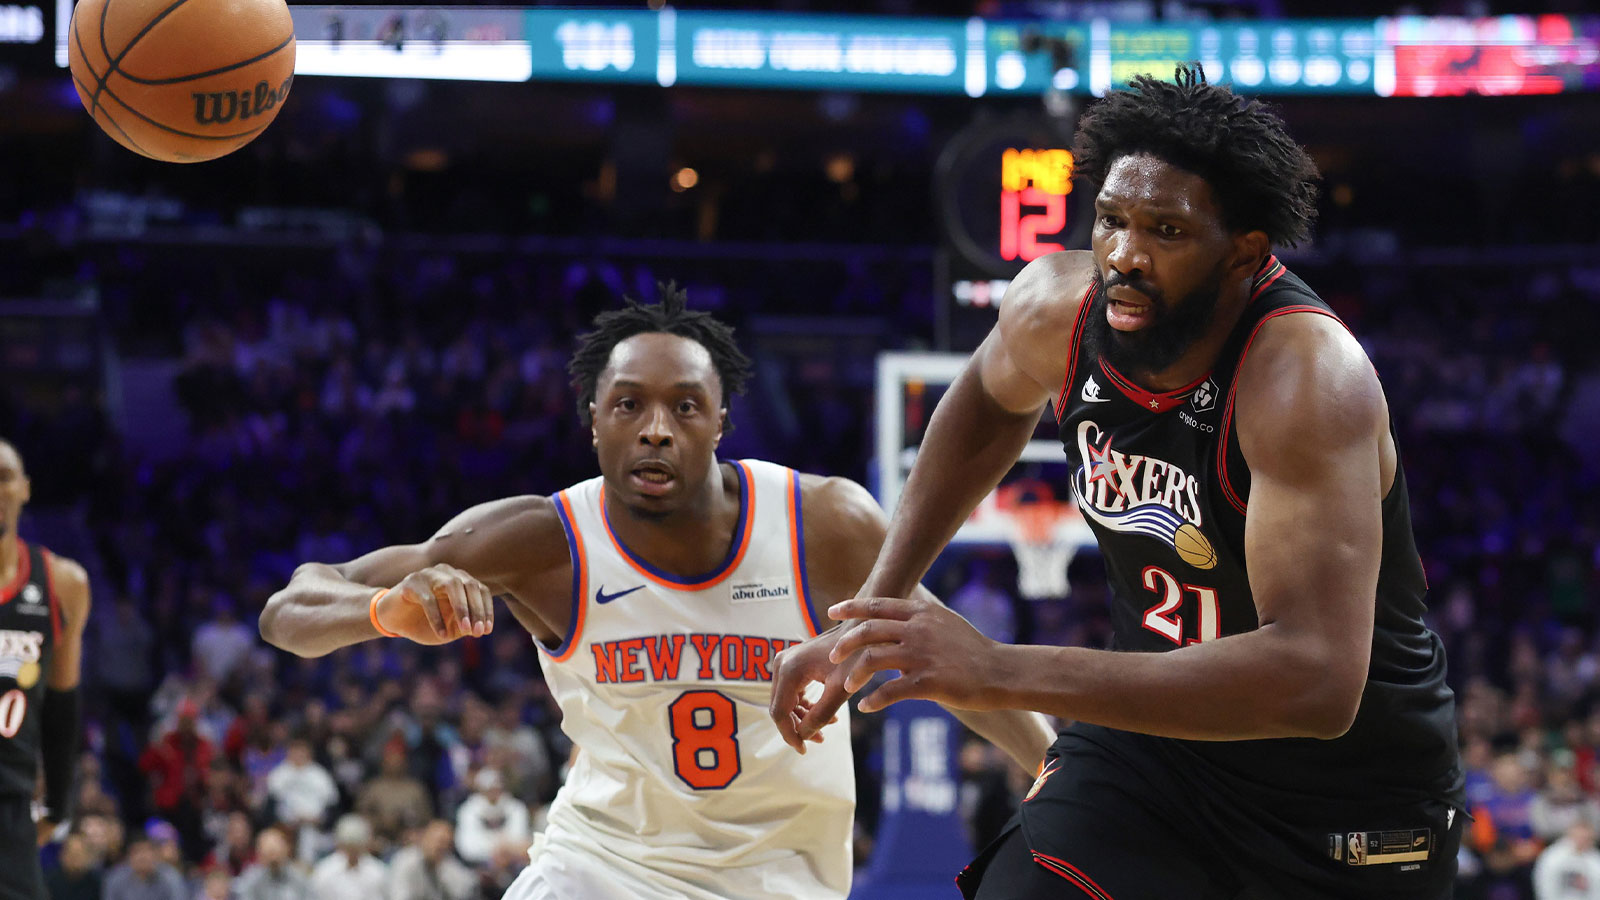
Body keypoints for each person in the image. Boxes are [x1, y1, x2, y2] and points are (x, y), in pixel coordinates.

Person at [771, 66, 1463, 899]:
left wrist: (993, 668)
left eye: (1166, 231)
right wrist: (876, 613)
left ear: (1243, 252)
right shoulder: (1056, 310)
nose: (1126, 255)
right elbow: (985, 406)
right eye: (1111, 220)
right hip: (1155, 749)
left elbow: (1314, 681)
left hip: (1345, 793)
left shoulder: (1305, 380)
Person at [260, 287, 1053, 900]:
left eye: (684, 406)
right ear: (593, 421)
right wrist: (383, 611)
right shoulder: (543, 542)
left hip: (777, 877)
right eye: (628, 404)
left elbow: (947, 660)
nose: (655, 428)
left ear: (720, 424)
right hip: (598, 866)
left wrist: (1058, 774)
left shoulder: (822, 524)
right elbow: (289, 610)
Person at [0, 440, 90, 900]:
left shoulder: (62, 583)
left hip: (10, 803)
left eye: (3, 476)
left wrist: (56, 804)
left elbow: (61, 704)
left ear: (25, 489)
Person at [308, 814, 388, 900]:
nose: (352, 852)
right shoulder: (324, 872)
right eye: (348, 846)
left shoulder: (377, 872)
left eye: (356, 846)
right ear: (339, 844)